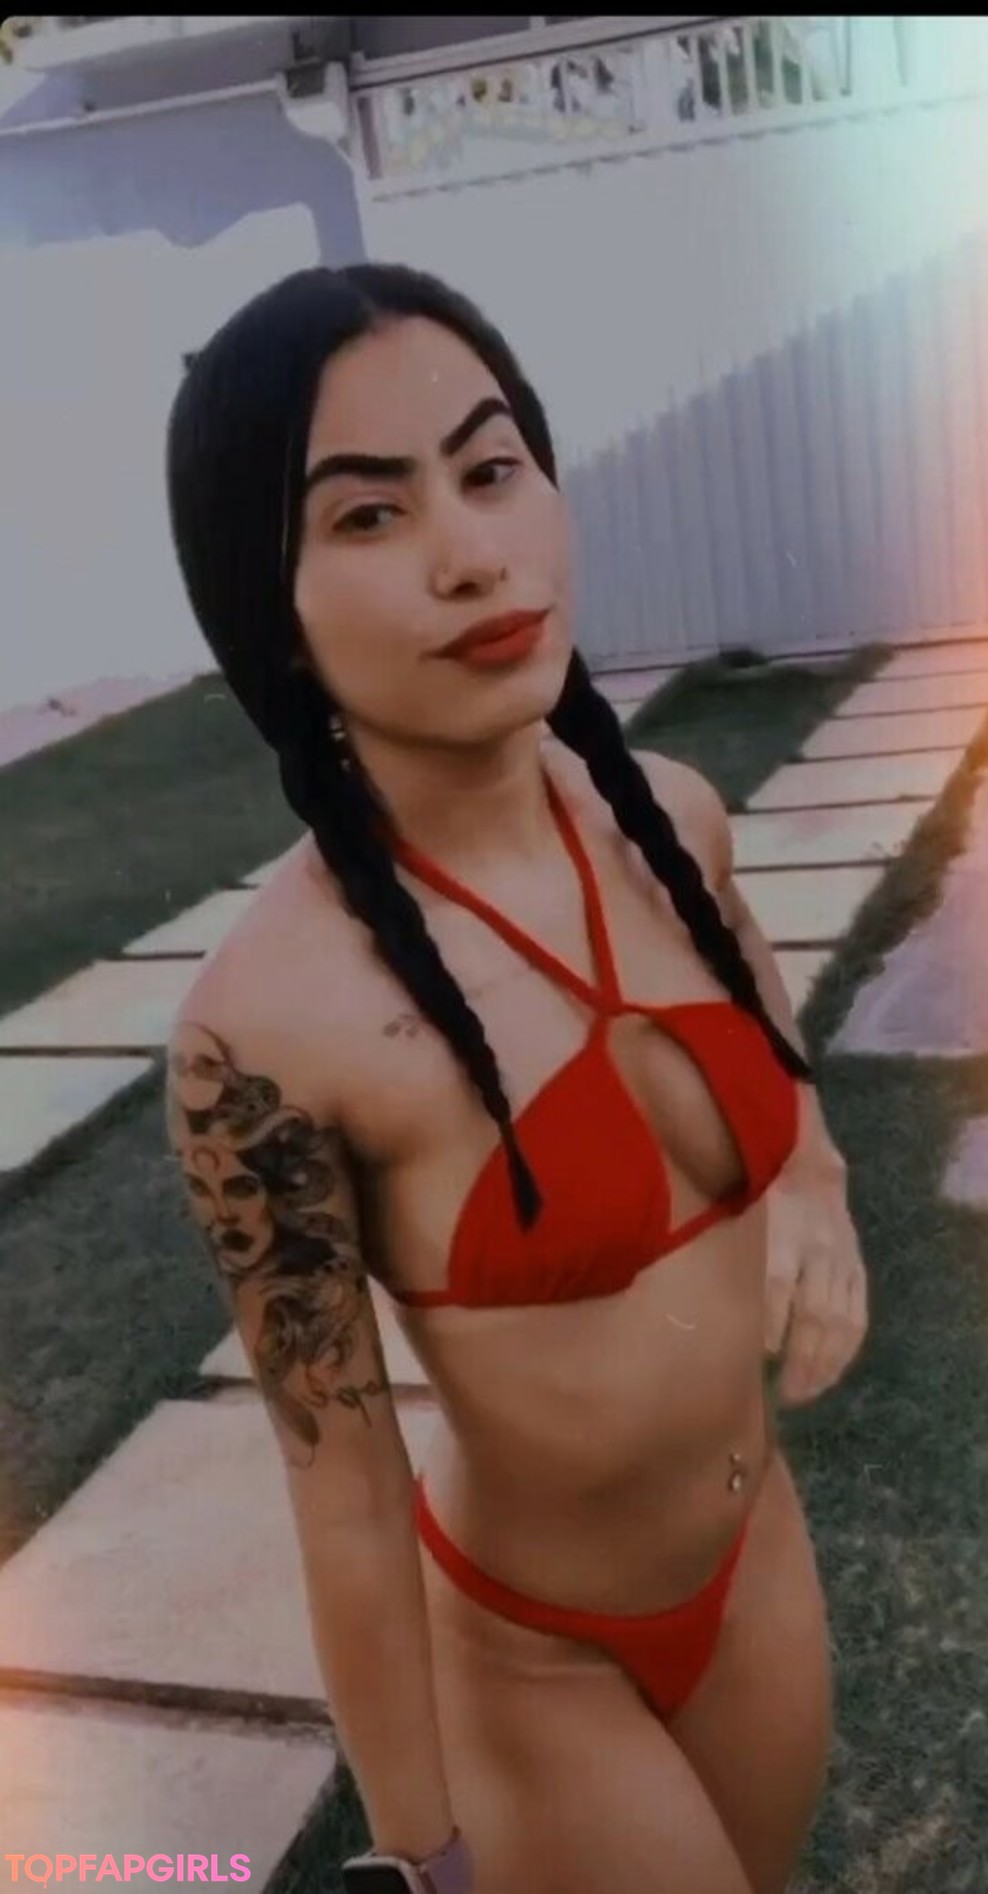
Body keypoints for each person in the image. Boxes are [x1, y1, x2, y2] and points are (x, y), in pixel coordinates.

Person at [163, 262, 868, 1894]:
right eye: (368, 513)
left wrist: (820, 1184)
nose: (472, 551)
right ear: (267, 606)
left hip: (759, 1560)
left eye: (490, 470)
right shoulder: (270, 1025)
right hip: (534, 1651)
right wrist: (418, 1850)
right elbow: (344, 1490)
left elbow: (764, 1020)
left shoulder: (671, 819)